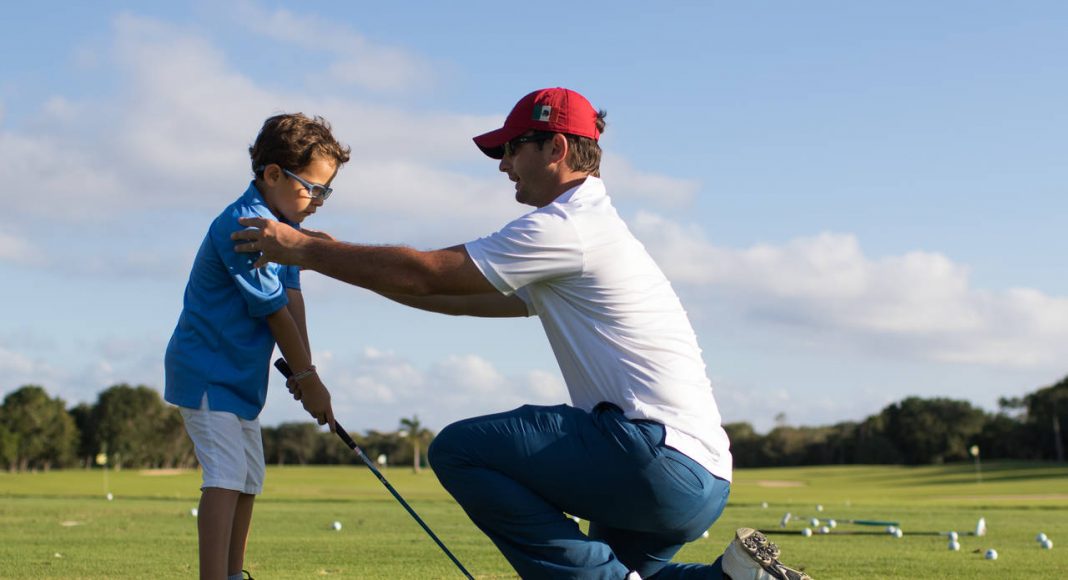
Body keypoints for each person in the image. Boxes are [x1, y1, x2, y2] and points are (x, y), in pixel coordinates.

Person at [231, 89, 811, 579]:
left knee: (459, 450)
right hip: (700, 480)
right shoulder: (591, 236)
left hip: (650, 458)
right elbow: (452, 298)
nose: (503, 164)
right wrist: (328, 259)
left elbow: (428, 275)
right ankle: (738, 574)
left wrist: (301, 247)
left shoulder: (566, 227)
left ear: (555, 148)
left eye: (512, 148)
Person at [165, 112, 348, 580]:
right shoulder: (244, 226)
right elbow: (271, 310)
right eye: (314, 188)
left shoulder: (281, 230)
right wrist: (308, 379)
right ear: (272, 175)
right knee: (225, 476)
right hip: (207, 371)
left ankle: (233, 573)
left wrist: (308, 372)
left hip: (242, 378)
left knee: (248, 478)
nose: (320, 201)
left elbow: (292, 299)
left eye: (327, 190)